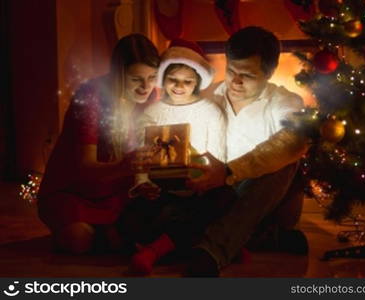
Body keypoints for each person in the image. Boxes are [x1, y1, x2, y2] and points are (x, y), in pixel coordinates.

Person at [186, 26, 310, 276]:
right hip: (220, 196)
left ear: (270, 73)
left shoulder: (287, 102)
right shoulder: (207, 97)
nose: (236, 81)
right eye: (231, 70)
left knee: (285, 161)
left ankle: (213, 250)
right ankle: (267, 239)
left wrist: (231, 171)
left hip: (268, 200)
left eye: (248, 75)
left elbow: (293, 141)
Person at [37, 34, 161, 254]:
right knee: (79, 240)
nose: (146, 87)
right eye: (136, 79)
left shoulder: (152, 99)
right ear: (118, 75)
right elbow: (84, 167)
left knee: (138, 233)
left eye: (152, 77)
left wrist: (144, 182)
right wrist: (124, 167)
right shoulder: (91, 98)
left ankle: (110, 233)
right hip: (74, 191)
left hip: (117, 193)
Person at [129, 39, 233, 275]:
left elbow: (218, 158)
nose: (179, 86)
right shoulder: (151, 113)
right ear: (163, 79)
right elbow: (141, 158)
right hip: (162, 190)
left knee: (223, 201)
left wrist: (205, 181)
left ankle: (155, 250)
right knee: (135, 218)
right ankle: (207, 245)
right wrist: (143, 183)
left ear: (197, 82)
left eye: (187, 81)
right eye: (173, 79)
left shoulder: (210, 112)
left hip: (200, 190)